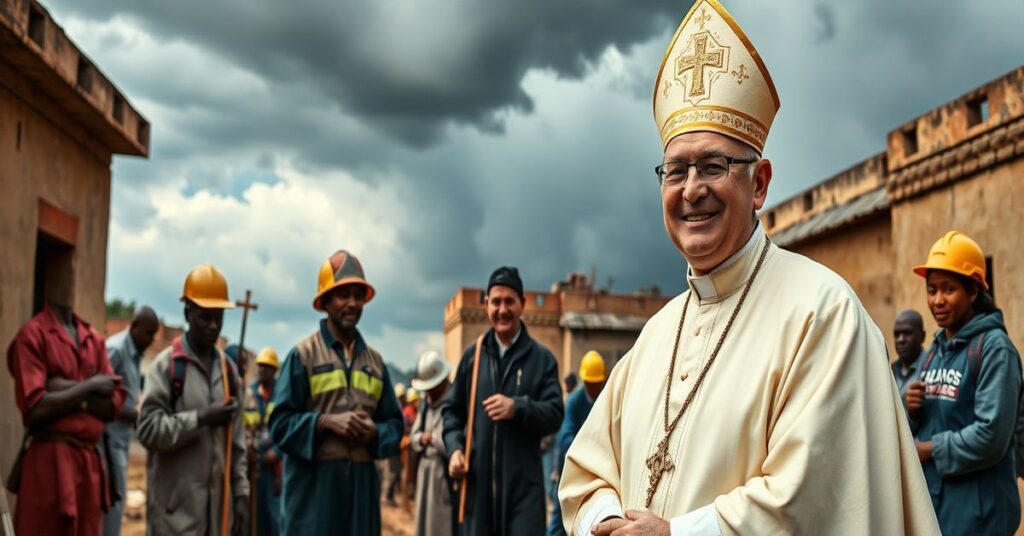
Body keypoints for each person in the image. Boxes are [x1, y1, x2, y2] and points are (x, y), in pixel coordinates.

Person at [558, 1, 939, 534]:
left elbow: (816, 498)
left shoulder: (823, 314)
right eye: (674, 171)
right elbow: (586, 471)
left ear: (759, 183)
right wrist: (606, 519)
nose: (691, 190)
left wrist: (675, 532)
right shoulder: (654, 336)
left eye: (714, 166)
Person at [268, 250, 403, 535]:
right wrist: (324, 422)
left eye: (358, 295)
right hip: (314, 493)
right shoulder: (303, 356)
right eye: (343, 294)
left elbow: (394, 424)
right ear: (325, 302)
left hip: (362, 491)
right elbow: (279, 425)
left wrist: (375, 433)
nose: (352, 303)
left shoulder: (376, 363)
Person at [904, 231, 1022, 534]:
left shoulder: (995, 349)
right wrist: (911, 410)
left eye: (949, 289)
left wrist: (929, 450)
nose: (937, 300)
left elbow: (991, 436)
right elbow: (928, 423)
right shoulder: (935, 352)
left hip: (980, 516)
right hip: (940, 510)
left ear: (972, 292)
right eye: (931, 290)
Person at [443, 266, 564, 536]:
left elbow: (555, 413)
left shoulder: (542, 360)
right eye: (495, 302)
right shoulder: (472, 358)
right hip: (478, 494)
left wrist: (518, 407)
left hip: (524, 497)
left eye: (509, 301)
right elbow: (451, 411)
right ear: (486, 305)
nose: (502, 309)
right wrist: (453, 449)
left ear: (522, 304)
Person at [137, 264, 248, 535]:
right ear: (188, 312)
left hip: (218, 519)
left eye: (218, 317)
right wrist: (200, 419)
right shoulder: (167, 367)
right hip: (174, 521)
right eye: (204, 317)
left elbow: (238, 445)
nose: (212, 326)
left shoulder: (230, 373)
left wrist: (242, 494)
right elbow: (148, 430)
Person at [7, 298, 126, 536]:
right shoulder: (33, 334)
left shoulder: (93, 338)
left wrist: (60, 390)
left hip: (89, 471)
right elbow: (36, 408)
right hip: (49, 468)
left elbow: (113, 403)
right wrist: (90, 386)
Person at [102, 306, 159, 536]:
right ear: (134, 326)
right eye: (147, 333)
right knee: (111, 510)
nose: (151, 340)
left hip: (122, 441)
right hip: (108, 443)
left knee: (117, 505)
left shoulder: (135, 353)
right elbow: (101, 395)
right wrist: (133, 414)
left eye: (154, 334)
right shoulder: (116, 350)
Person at [547, 351, 607, 536]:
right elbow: (565, 437)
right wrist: (590, 449)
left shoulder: (605, 398)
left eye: (598, 383)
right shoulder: (574, 401)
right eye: (591, 383)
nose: (594, 388)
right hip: (572, 468)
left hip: (598, 470)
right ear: (585, 381)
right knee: (560, 518)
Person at [409, 350, 455, 536]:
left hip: (442, 474)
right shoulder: (425, 405)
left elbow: (453, 441)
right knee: (423, 521)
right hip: (425, 471)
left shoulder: (453, 403)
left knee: (440, 523)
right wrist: (422, 438)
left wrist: (433, 438)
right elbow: (414, 437)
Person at [243, 347, 283, 536]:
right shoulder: (249, 394)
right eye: (260, 366)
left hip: (276, 468)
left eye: (267, 367)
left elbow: (288, 430)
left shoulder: (283, 395)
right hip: (255, 465)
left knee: (275, 519)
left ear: (274, 370)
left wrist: (277, 453)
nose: (262, 371)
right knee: (255, 518)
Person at [892, 309, 927, 397]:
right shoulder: (890, 370)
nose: (901, 340)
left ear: (922, 336)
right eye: (897, 334)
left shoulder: (932, 369)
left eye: (907, 333)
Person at [384, 383, 408, 507]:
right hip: (393, 446)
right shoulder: (395, 409)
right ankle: (388, 497)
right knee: (392, 472)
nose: (404, 399)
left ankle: (390, 496)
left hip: (398, 446)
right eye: (402, 397)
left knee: (395, 472)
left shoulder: (400, 409)